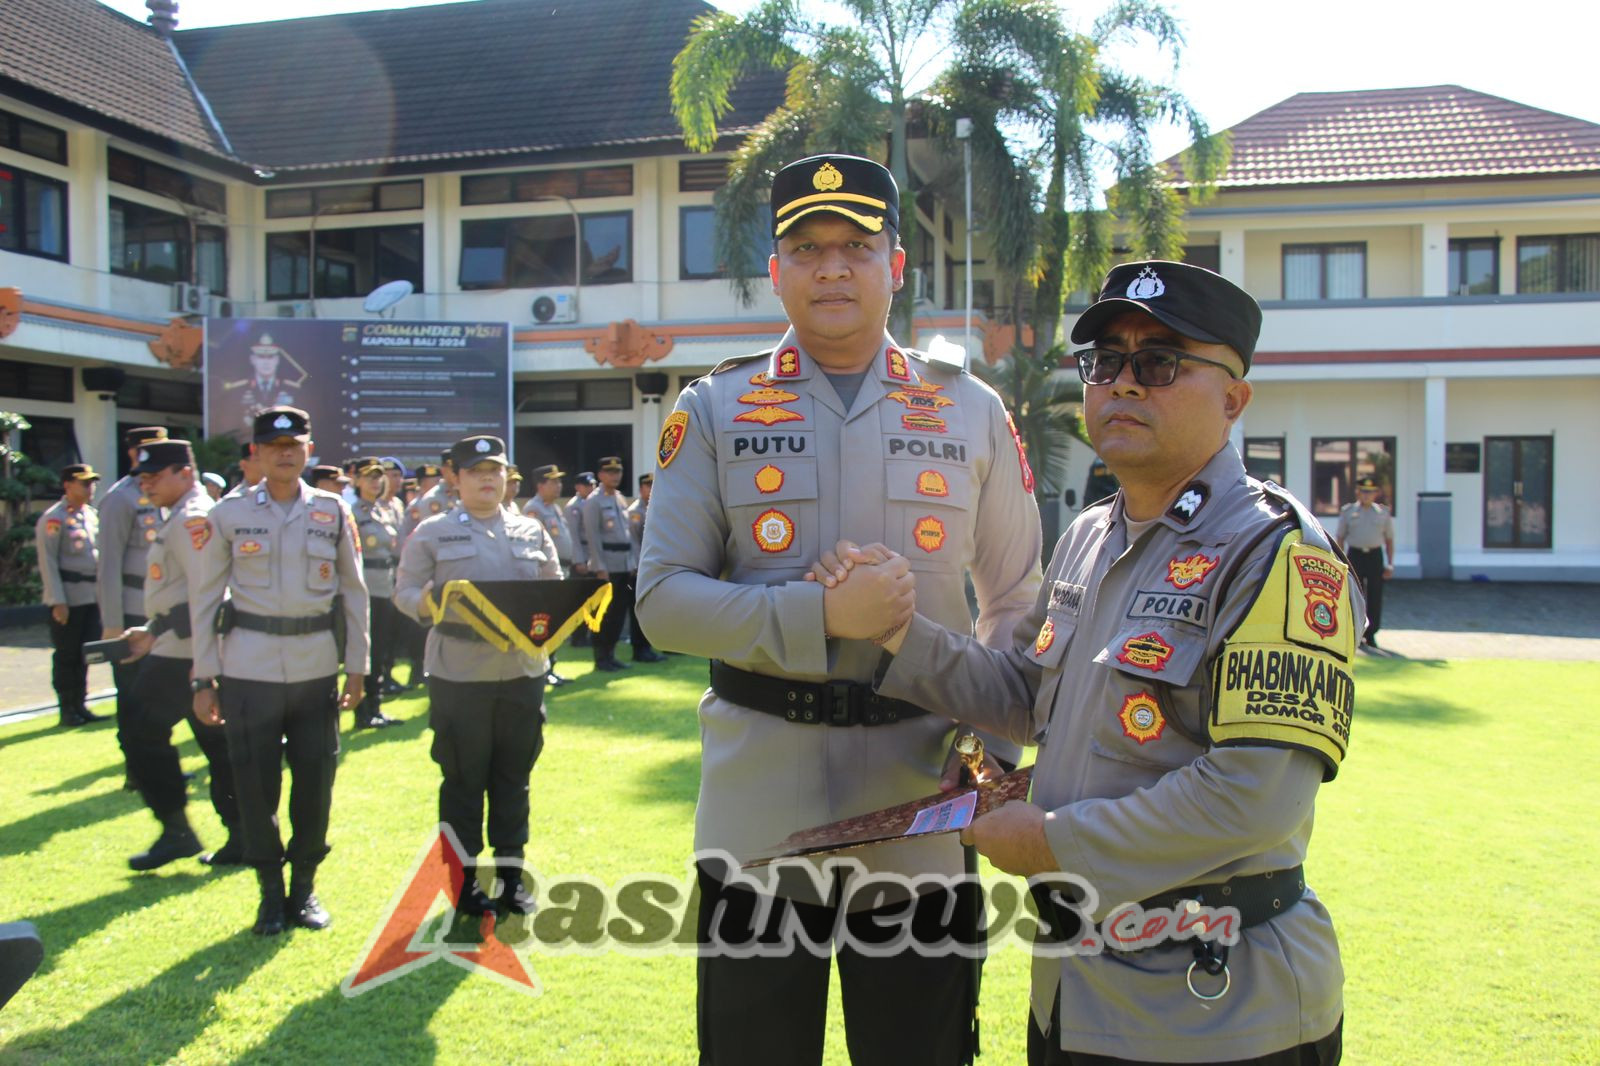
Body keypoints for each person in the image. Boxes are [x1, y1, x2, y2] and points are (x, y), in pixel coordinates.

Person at [857, 260, 1355, 1064]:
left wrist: (1052, 843)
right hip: (1076, 994)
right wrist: (895, 635)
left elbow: (1254, 796)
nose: (1124, 383)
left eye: (1159, 363)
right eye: (1106, 362)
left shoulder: (1278, 553)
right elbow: (1023, 693)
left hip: (1216, 1007)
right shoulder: (1092, 535)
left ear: (1233, 398)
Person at [635, 153, 1043, 1066]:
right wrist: (821, 617)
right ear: (775, 268)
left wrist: (995, 754)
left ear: (896, 265)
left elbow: (1018, 597)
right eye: (807, 248)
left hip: (924, 806)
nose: (831, 268)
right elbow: (661, 601)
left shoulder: (969, 409)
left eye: (856, 246)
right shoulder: (715, 407)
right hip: (757, 815)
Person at [189, 406, 369, 936]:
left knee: (316, 783)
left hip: (316, 667)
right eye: (274, 446)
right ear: (258, 454)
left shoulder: (334, 510)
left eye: (295, 445)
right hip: (248, 669)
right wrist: (204, 676)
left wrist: (357, 667)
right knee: (254, 786)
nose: (286, 453)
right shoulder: (228, 513)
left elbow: (355, 594)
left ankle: (305, 889)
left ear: (308, 450)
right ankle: (270, 894)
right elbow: (203, 598)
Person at [394, 435, 560, 916]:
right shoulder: (431, 532)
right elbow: (402, 590)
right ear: (456, 478)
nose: (488, 479)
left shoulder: (531, 531)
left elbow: (552, 594)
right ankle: (464, 885)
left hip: (521, 672)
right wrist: (426, 603)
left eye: (496, 471)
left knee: (514, 780)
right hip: (459, 675)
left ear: (507, 478)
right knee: (464, 783)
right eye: (476, 471)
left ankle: (512, 880)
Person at [118, 440, 241, 869]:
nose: (146, 484)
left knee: (139, 729)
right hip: (182, 646)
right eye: (143, 477)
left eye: (155, 476)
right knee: (218, 745)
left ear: (185, 473)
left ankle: (179, 830)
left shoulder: (192, 518)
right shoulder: (181, 515)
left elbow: (206, 595)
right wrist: (153, 630)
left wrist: (200, 663)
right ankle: (237, 834)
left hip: (187, 653)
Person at [98, 426, 169, 774]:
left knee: (161, 695)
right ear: (132, 453)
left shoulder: (170, 493)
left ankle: (158, 763)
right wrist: (112, 622)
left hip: (164, 612)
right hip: (130, 611)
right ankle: (136, 769)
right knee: (133, 695)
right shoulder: (120, 498)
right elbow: (108, 564)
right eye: (149, 448)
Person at [36, 463, 104, 727]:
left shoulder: (92, 515)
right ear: (68, 485)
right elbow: (48, 562)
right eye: (85, 483)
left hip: (90, 596)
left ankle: (81, 704)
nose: (91, 488)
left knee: (84, 652)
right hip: (68, 597)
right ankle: (67, 707)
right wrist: (57, 601)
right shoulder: (54, 518)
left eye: (92, 483)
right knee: (67, 654)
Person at [584, 457, 663, 669]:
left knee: (618, 615)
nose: (615, 475)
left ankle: (610, 655)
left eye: (618, 471)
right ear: (600, 475)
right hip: (607, 566)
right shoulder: (594, 501)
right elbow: (593, 537)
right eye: (609, 471)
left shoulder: (619, 498)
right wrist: (599, 566)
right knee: (605, 614)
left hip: (623, 564)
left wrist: (631, 563)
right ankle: (601, 658)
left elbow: (627, 536)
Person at [351, 457, 401, 727]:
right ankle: (364, 710)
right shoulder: (353, 512)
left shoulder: (384, 510)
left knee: (381, 647)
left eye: (378, 476)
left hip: (385, 584)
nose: (375, 481)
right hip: (366, 586)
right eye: (369, 476)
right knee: (367, 649)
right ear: (356, 481)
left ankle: (376, 706)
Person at [524, 463, 575, 687]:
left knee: (555, 620)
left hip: (561, 569)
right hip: (544, 575)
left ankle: (551, 667)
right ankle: (543, 669)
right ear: (540, 485)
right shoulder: (533, 510)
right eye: (553, 482)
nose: (559, 485)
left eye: (559, 481)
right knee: (544, 622)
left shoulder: (553, 507)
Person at [1336, 475, 1394, 649]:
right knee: (1355, 596)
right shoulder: (1348, 512)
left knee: (1375, 596)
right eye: (1363, 491)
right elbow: (1340, 537)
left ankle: (1372, 634)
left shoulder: (1383, 513)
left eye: (1370, 492)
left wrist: (1390, 564)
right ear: (1357, 492)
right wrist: (1341, 559)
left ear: (1376, 493)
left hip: (1375, 556)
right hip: (1355, 556)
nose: (1366, 495)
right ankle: (1356, 631)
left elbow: (1389, 539)